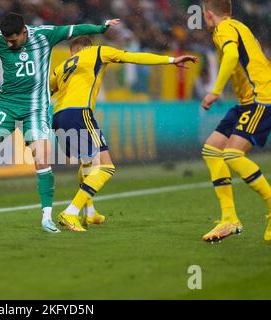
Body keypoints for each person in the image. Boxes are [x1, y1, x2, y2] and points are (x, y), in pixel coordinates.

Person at [0, 12, 121, 233]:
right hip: (6, 104)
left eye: (13, 39)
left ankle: (46, 217)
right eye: (6, 40)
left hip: (35, 108)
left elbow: (75, 29)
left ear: (24, 32)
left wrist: (100, 27)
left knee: (42, 160)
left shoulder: (45, 35)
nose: (9, 43)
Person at [50, 36, 197, 232]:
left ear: (72, 52)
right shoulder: (99, 51)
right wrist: (170, 60)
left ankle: (90, 212)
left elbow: (47, 91)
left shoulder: (61, 67)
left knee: (88, 161)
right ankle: (70, 212)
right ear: (89, 47)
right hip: (80, 112)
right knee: (106, 167)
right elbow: (134, 57)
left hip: (59, 116)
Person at [201, 0, 271, 242]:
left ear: (208, 15)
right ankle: (229, 219)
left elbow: (231, 54)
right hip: (247, 101)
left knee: (232, 155)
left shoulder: (223, 30)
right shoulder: (241, 26)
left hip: (261, 99)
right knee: (212, 150)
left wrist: (215, 90)